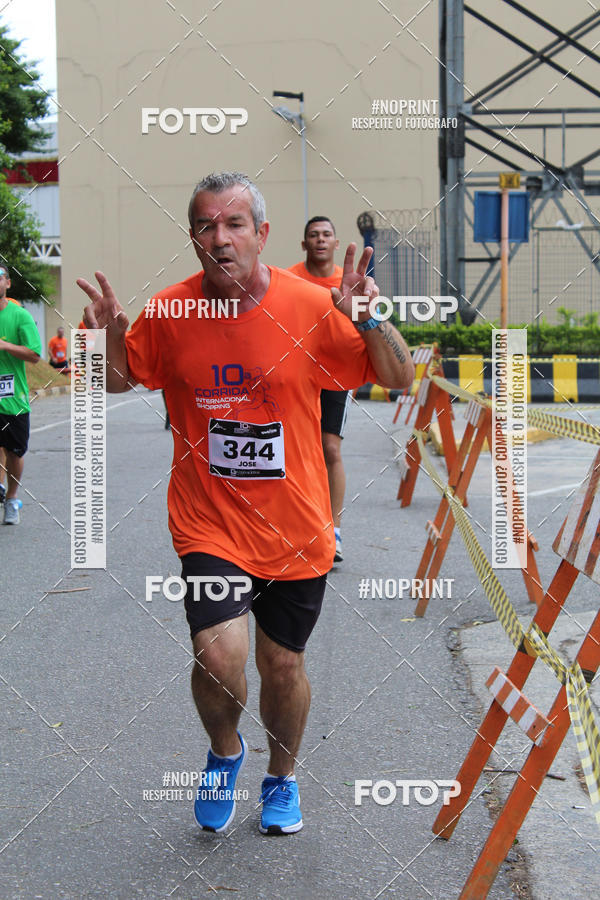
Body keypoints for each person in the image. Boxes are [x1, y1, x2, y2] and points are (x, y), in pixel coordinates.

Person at [76, 172, 414, 836]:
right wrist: (107, 334)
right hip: (210, 522)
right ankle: (224, 754)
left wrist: (370, 316)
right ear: (195, 239)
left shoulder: (314, 305)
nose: (220, 238)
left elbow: (398, 376)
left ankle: (282, 777)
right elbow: (115, 382)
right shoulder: (172, 313)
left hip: (295, 525)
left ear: (261, 235)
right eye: (206, 226)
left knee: (282, 663)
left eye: (234, 225)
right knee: (218, 656)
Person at [289, 217, 348, 562]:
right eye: (313, 235)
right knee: (295, 450)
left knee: (330, 448)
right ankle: (298, 527)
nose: (320, 240)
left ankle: (334, 530)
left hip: (336, 375)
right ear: (304, 244)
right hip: (296, 375)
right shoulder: (291, 278)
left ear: (335, 243)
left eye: (327, 234)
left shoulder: (348, 281)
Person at [0, 264, 42, 524]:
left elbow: (35, 355)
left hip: (13, 397)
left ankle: (12, 497)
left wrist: (4, 345)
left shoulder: (20, 316)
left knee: (14, 452)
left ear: (7, 283)